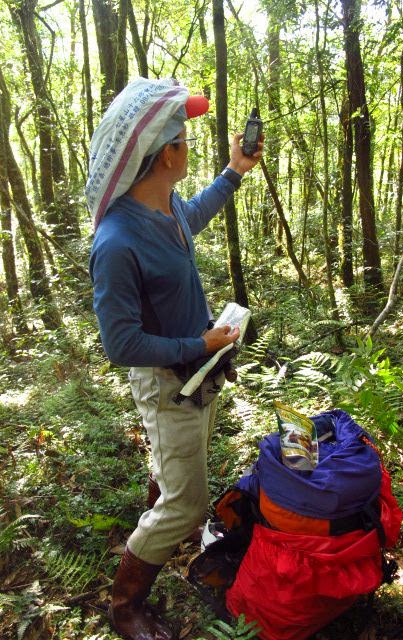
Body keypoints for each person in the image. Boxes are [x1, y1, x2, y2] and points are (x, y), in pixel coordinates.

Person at [87, 77, 263, 640]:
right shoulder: (117, 241)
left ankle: (161, 504)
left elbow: (196, 213)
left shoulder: (166, 208)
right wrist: (200, 345)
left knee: (177, 475)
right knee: (187, 508)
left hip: (197, 373)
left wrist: (235, 171)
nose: (189, 147)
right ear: (167, 154)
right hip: (168, 384)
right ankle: (125, 604)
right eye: (184, 140)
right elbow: (120, 345)